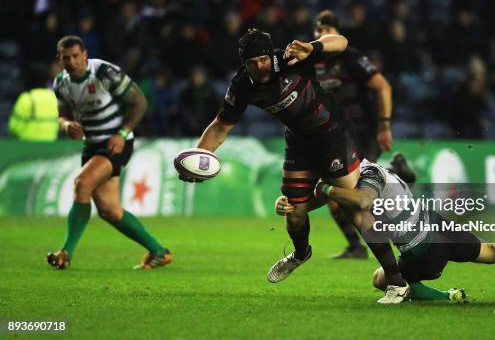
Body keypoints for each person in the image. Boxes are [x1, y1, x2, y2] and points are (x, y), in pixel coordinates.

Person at [179, 29, 407, 289]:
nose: (260, 66)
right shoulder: (242, 85)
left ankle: (396, 280)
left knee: (352, 205)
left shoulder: (291, 57)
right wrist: (199, 157)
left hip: (332, 132)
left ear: (270, 55)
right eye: (252, 63)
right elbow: (220, 128)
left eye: (263, 59)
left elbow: (342, 43)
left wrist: (313, 47)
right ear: (244, 64)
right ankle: (300, 254)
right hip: (299, 142)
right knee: (293, 211)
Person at [275, 159, 495, 303]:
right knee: (493, 252)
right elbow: (334, 192)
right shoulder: (372, 167)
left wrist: (323, 193)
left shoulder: (363, 184)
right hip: (438, 225)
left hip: (422, 248)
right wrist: (298, 205)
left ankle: (448, 297)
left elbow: (356, 200)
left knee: (379, 279)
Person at [47, 35, 171, 270]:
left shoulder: (104, 72)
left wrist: (122, 134)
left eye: (76, 56)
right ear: (60, 60)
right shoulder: (60, 83)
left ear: (85, 54)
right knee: (109, 210)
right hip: (92, 145)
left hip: (117, 143)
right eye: (66, 58)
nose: (72, 61)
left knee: (82, 183)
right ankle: (158, 252)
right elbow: (63, 115)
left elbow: (139, 102)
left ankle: (66, 252)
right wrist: (66, 126)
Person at [312, 9, 414, 259]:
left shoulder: (350, 57)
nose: (322, 35)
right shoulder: (311, 63)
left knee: (352, 194)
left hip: (362, 134)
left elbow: (383, 87)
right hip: (333, 138)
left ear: (337, 34)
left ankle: (361, 247)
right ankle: (396, 172)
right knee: (340, 195)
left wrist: (384, 126)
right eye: (318, 31)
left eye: (327, 30)